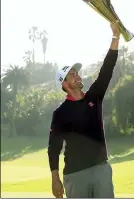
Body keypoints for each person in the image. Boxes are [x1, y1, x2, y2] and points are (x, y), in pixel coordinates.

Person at [48, 22, 121, 198]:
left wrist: (115, 37)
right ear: (64, 84)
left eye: (76, 72)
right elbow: (53, 148)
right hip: (75, 174)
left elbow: (107, 70)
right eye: (72, 74)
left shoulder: (93, 97)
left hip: (101, 169)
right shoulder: (60, 113)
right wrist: (55, 178)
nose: (77, 75)